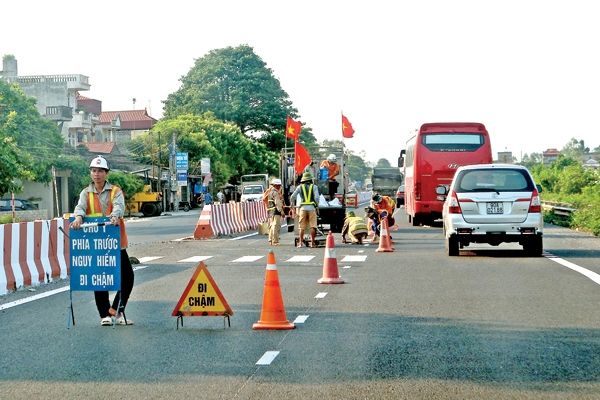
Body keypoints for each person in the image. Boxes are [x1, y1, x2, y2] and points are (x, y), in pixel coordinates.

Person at [71, 155, 134, 327]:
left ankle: (117, 310)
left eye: (100, 171)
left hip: (116, 243)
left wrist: (115, 216)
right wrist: (78, 218)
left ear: (106, 173)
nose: (96, 174)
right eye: (93, 171)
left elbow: (119, 206)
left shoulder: (115, 191)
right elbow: (80, 207)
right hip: (96, 242)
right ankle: (105, 314)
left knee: (128, 278)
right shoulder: (86, 192)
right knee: (99, 278)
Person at [289, 171, 320, 248]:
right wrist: (316, 205)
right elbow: (316, 198)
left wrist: (292, 205)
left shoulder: (300, 187)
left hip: (302, 209)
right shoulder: (314, 187)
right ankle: (312, 243)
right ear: (310, 180)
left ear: (303, 180)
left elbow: (292, 197)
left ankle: (300, 243)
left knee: (301, 227)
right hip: (312, 208)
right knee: (313, 226)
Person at [264, 178, 284, 245]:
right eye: (279, 185)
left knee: (272, 225)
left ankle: (270, 240)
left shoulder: (269, 192)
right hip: (275, 211)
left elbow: (265, 200)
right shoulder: (276, 193)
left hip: (270, 211)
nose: (279, 187)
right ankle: (275, 241)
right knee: (276, 226)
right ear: (276, 185)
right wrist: (282, 212)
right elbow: (278, 203)